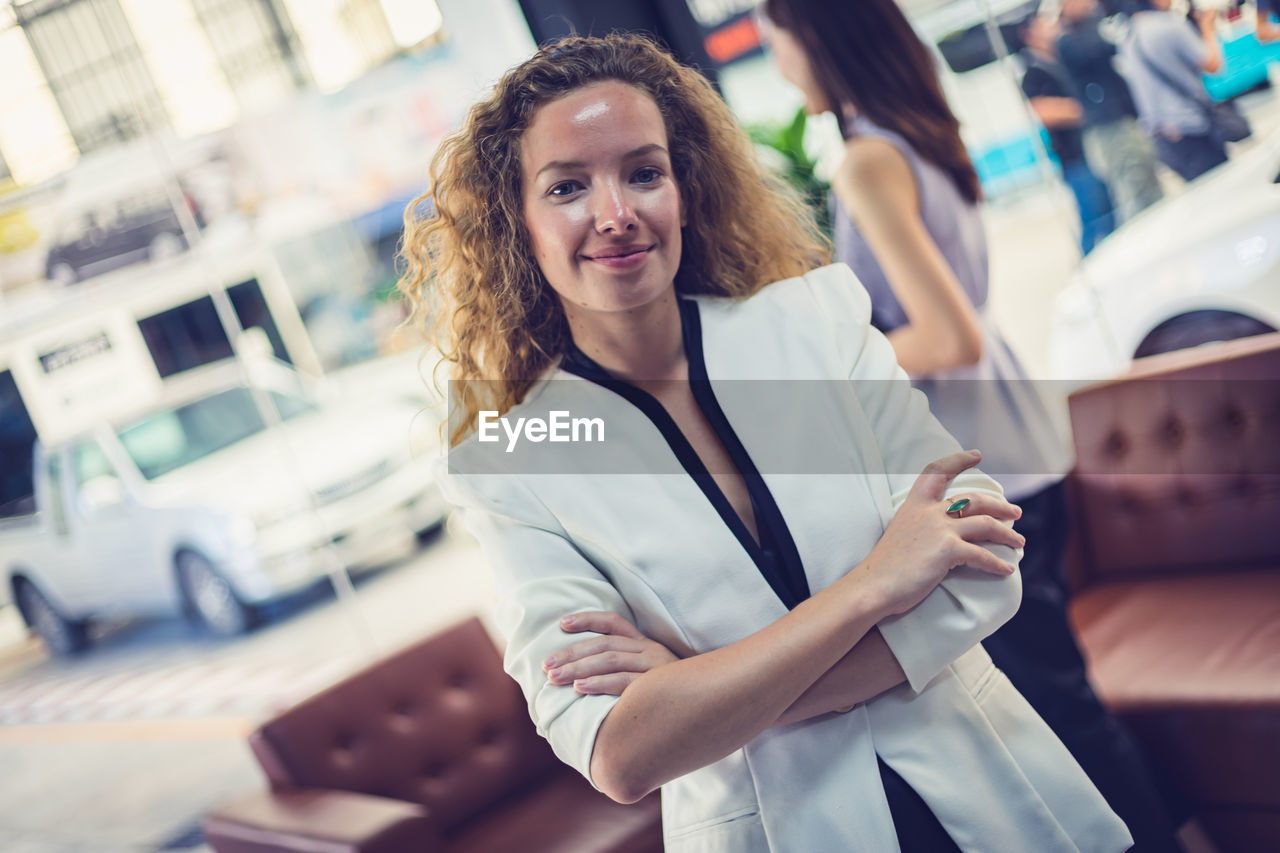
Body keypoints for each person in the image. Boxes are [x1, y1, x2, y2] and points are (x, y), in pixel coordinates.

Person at [542, 1, 1187, 849]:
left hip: (970, 445)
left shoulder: (865, 168)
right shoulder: (922, 133)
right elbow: (622, 748)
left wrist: (705, 697)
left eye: (776, 41)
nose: (614, 212)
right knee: (1072, 700)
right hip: (1017, 423)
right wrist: (879, 586)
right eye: (566, 186)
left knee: (1065, 707)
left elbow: (944, 333)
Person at [1057, 0, 1164, 223]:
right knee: (1134, 191)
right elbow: (1098, 49)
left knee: (1147, 184)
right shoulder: (1071, 40)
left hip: (1121, 121)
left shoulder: (1092, 29)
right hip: (1110, 128)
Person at [1020, 12, 1118, 253]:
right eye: (1043, 25)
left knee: (1109, 211)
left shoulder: (1060, 60)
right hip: (1073, 158)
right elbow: (1043, 112)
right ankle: (1089, 264)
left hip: (1090, 148)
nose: (1051, 28)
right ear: (1029, 34)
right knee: (1094, 218)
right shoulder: (1033, 73)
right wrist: (1086, 109)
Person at [1119, 0, 1227, 181]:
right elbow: (1213, 64)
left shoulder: (1128, 37)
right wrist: (1207, 27)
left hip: (1163, 137)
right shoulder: (1168, 26)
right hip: (1192, 125)